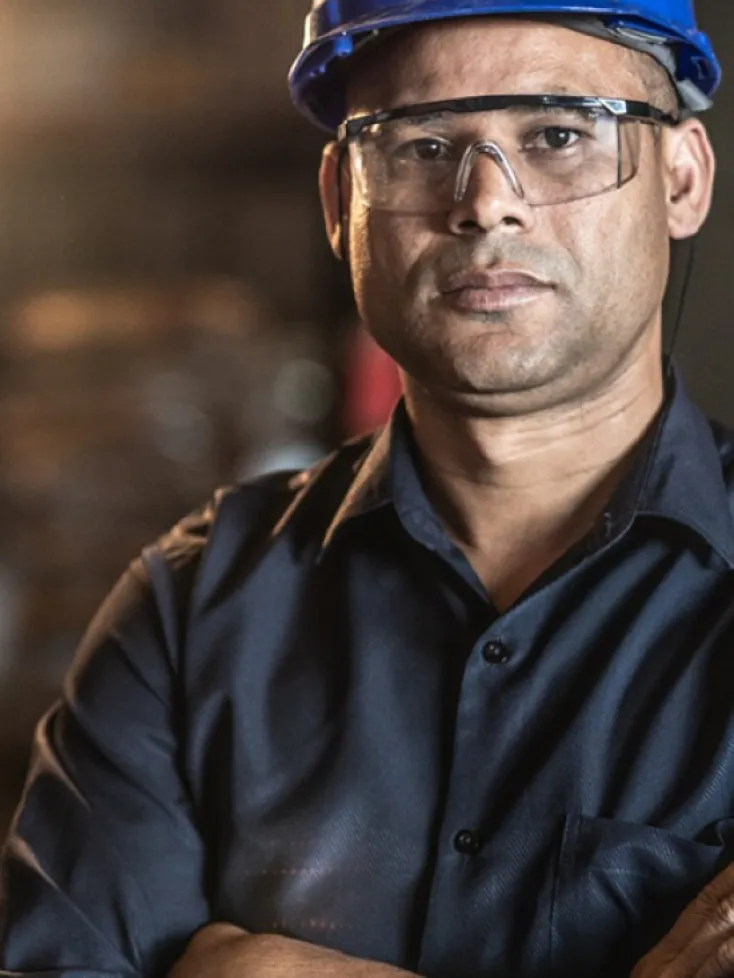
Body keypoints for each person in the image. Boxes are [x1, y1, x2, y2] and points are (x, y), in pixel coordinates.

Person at [1, 1, 733, 976]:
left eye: (557, 135)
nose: (483, 202)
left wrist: (258, 967)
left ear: (681, 179)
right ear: (337, 197)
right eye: (422, 146)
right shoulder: (189, 615)